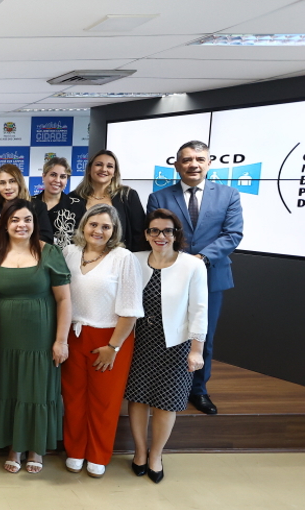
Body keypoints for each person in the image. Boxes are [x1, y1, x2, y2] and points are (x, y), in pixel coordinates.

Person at [147, 140, 243, 415]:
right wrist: (180, 261)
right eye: (187, 159)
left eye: (200, 159)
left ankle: (198, 390)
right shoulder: (159, 197)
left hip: (212, 276)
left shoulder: (228, 195)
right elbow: (157, 233)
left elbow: (233, 234)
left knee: (204, 335)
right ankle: (166, 385)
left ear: (209, 163)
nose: (193, 164)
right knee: (167, 332)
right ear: (177, 165)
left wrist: (199, 259)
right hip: (169, 275)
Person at [0, 199, 71, 474]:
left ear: (35, 223)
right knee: (9, 387)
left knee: (36, 390)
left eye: (27, 220)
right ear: (5, 225)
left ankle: (36, 449)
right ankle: (14, 447)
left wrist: (61, 340)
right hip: (4, 337)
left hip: (40, 338)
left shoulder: (49, 252)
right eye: (15, 220)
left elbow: (64, 299)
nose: (21, 225)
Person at [61, 204, 143, 478]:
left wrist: (113, 347)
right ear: (84, 225)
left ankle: (98, 455)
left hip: (110, 338)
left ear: (114, 230)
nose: (98, 230)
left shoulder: (123, 258)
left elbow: (131, 310)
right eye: (93, 224)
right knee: (73, 399)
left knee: (104, 402)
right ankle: (75, 450)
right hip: (74, 335)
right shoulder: (70, 253)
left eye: (106, 226)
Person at [126, 209, 208, 484]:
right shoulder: (134, 259)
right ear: (146, 234)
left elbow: (199, 309)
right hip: (139, 342)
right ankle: (139, 452)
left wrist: (197, 350)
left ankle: (156, 455)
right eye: (154, 230)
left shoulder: (192, 265)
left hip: (176, 344)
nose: (160, 236)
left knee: (166, 402)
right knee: (138, 398)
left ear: (176, 234)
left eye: (167, 231)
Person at [72, 150, 145, 251]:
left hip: (120, 258)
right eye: (98, 164)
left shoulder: (128, 196)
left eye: (109, 166)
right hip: (80, 257)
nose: (103, 169)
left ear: (115, 172)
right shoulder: (73, 198)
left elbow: (139, 234)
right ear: (89, 169)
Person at [0, 163, 52, 244]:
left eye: (12, 181)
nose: (8, 187)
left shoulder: (37, 206)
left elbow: (46, 238)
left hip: (32, 251)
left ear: (20, 183)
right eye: (2, 183)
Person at [32, 157, 85, 249]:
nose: (57, 180)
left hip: (66, 257)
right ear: (44, 176)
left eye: (63, 177)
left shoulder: (77, 205)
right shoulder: (29, 203)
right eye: (53, 175)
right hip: (33, 256)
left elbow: (83, 238)